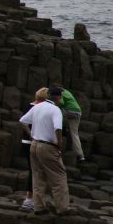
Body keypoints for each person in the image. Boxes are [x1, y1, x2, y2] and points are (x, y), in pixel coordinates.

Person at [18, 86, 70, 215]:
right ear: (58, 97)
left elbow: (22, 120)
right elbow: (58, 128)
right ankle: (62, 208)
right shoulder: (55, 110)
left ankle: (39, 207)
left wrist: (31, 134)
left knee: (38, 176)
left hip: (34, 145)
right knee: (59, 177)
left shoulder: (37, 107)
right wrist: (59, 144)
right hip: (47, 146)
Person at [19, 88, 49, 211]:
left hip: (28, 142)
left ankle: (32, 198)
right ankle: (29, 199)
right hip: (32, 142)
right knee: (35, 171)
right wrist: (32, 134)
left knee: (34, 170)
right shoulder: (36, 108)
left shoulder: (30, 106)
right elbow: (23, 122)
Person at [54, 85, 86, 162]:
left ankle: (58, 128)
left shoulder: (61, 93)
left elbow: (61, 102)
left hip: (70, 112)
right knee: (74, 134)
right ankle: (80, 155)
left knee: (56, 110)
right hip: (78, 112)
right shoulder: (67, 92)